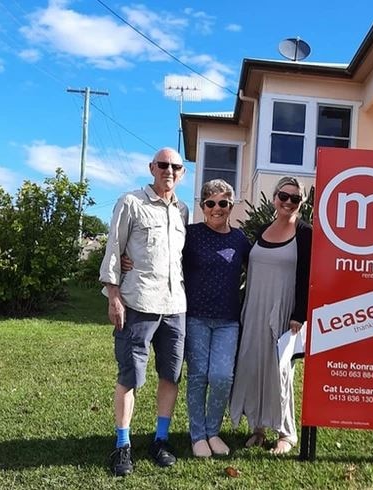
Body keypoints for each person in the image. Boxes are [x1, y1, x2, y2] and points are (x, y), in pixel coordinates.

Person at [99, 147, 189, 477]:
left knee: (170, 375)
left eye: (175, 166)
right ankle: (122, 445)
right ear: (152, 168)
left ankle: (160, 440)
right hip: (138, 304)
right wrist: (114, 296)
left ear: (182, 173)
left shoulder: (182, 210)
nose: (168, 170)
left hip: (175, 306)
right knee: (130, 376)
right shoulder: (131, 203)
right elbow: (114, 250)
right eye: (162, 165)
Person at [229, 176, 312, 455]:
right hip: (254, 308)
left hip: (285, 311)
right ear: (275, 197)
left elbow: (308, 276)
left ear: (302, 202)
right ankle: (258, 427)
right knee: (254, 366)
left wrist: (299, 314)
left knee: (280, 372)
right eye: (283, 196)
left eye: (295, 198)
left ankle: (286, 433)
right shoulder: (263, 229)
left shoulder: (305, 233)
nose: (288, 202)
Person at [182, 179, 251, 458]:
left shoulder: (239, 239)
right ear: (203, 207)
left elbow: (262, 264)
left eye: (223, 203)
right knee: (198, 377)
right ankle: (198, 435)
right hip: (196, 318)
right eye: (210, 203)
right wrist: (129, 260)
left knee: (222, 377)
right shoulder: (191, 235)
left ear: (231, 206)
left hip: (228, 320)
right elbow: (163, 256)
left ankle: (213, 431)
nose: (217, 208)